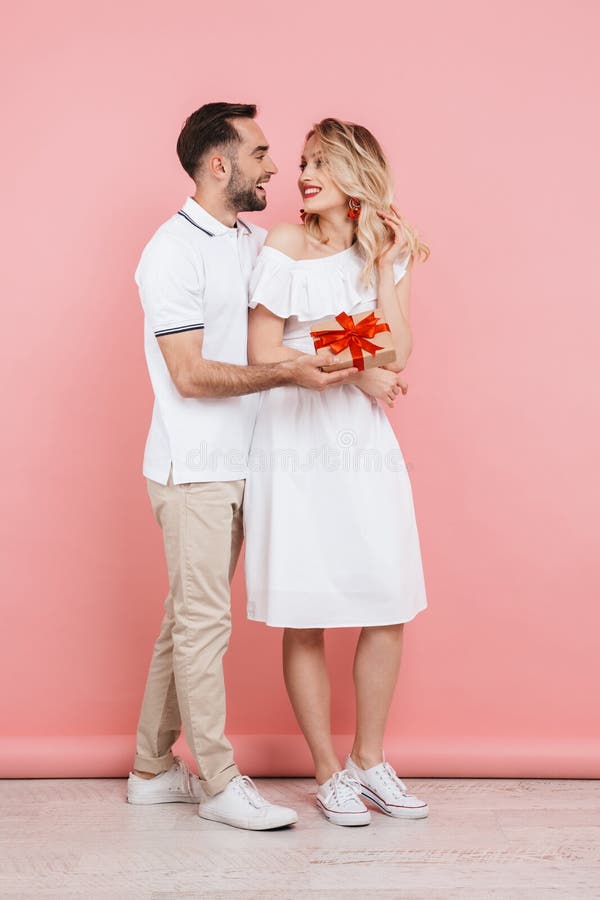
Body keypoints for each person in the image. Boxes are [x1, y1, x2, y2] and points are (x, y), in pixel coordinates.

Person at [127, 102, 360, 831]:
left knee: (183, 622)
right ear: (219, 164)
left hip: (249, 466)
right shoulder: (170, 251)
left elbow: (319, 316)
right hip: (194, 469)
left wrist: (375, 329)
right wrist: (289, 373)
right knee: (203, 624)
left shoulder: (255, 242)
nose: (276, 167)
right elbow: (191, 375)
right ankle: (220, 781)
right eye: (261, 154)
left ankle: (148, 769)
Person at [244, 118, 430, 827]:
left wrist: (381, 266)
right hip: (295, 436)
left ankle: (370, 761)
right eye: (301, 162)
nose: (303, 174)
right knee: (307, 605)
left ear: (358, 172)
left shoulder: (384, 248)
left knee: (385, 599)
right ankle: (329, 773)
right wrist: (359, 369)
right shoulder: (285, 245)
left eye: (321, 162)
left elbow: (401, 347)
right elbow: (266, 347)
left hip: (360, 440)